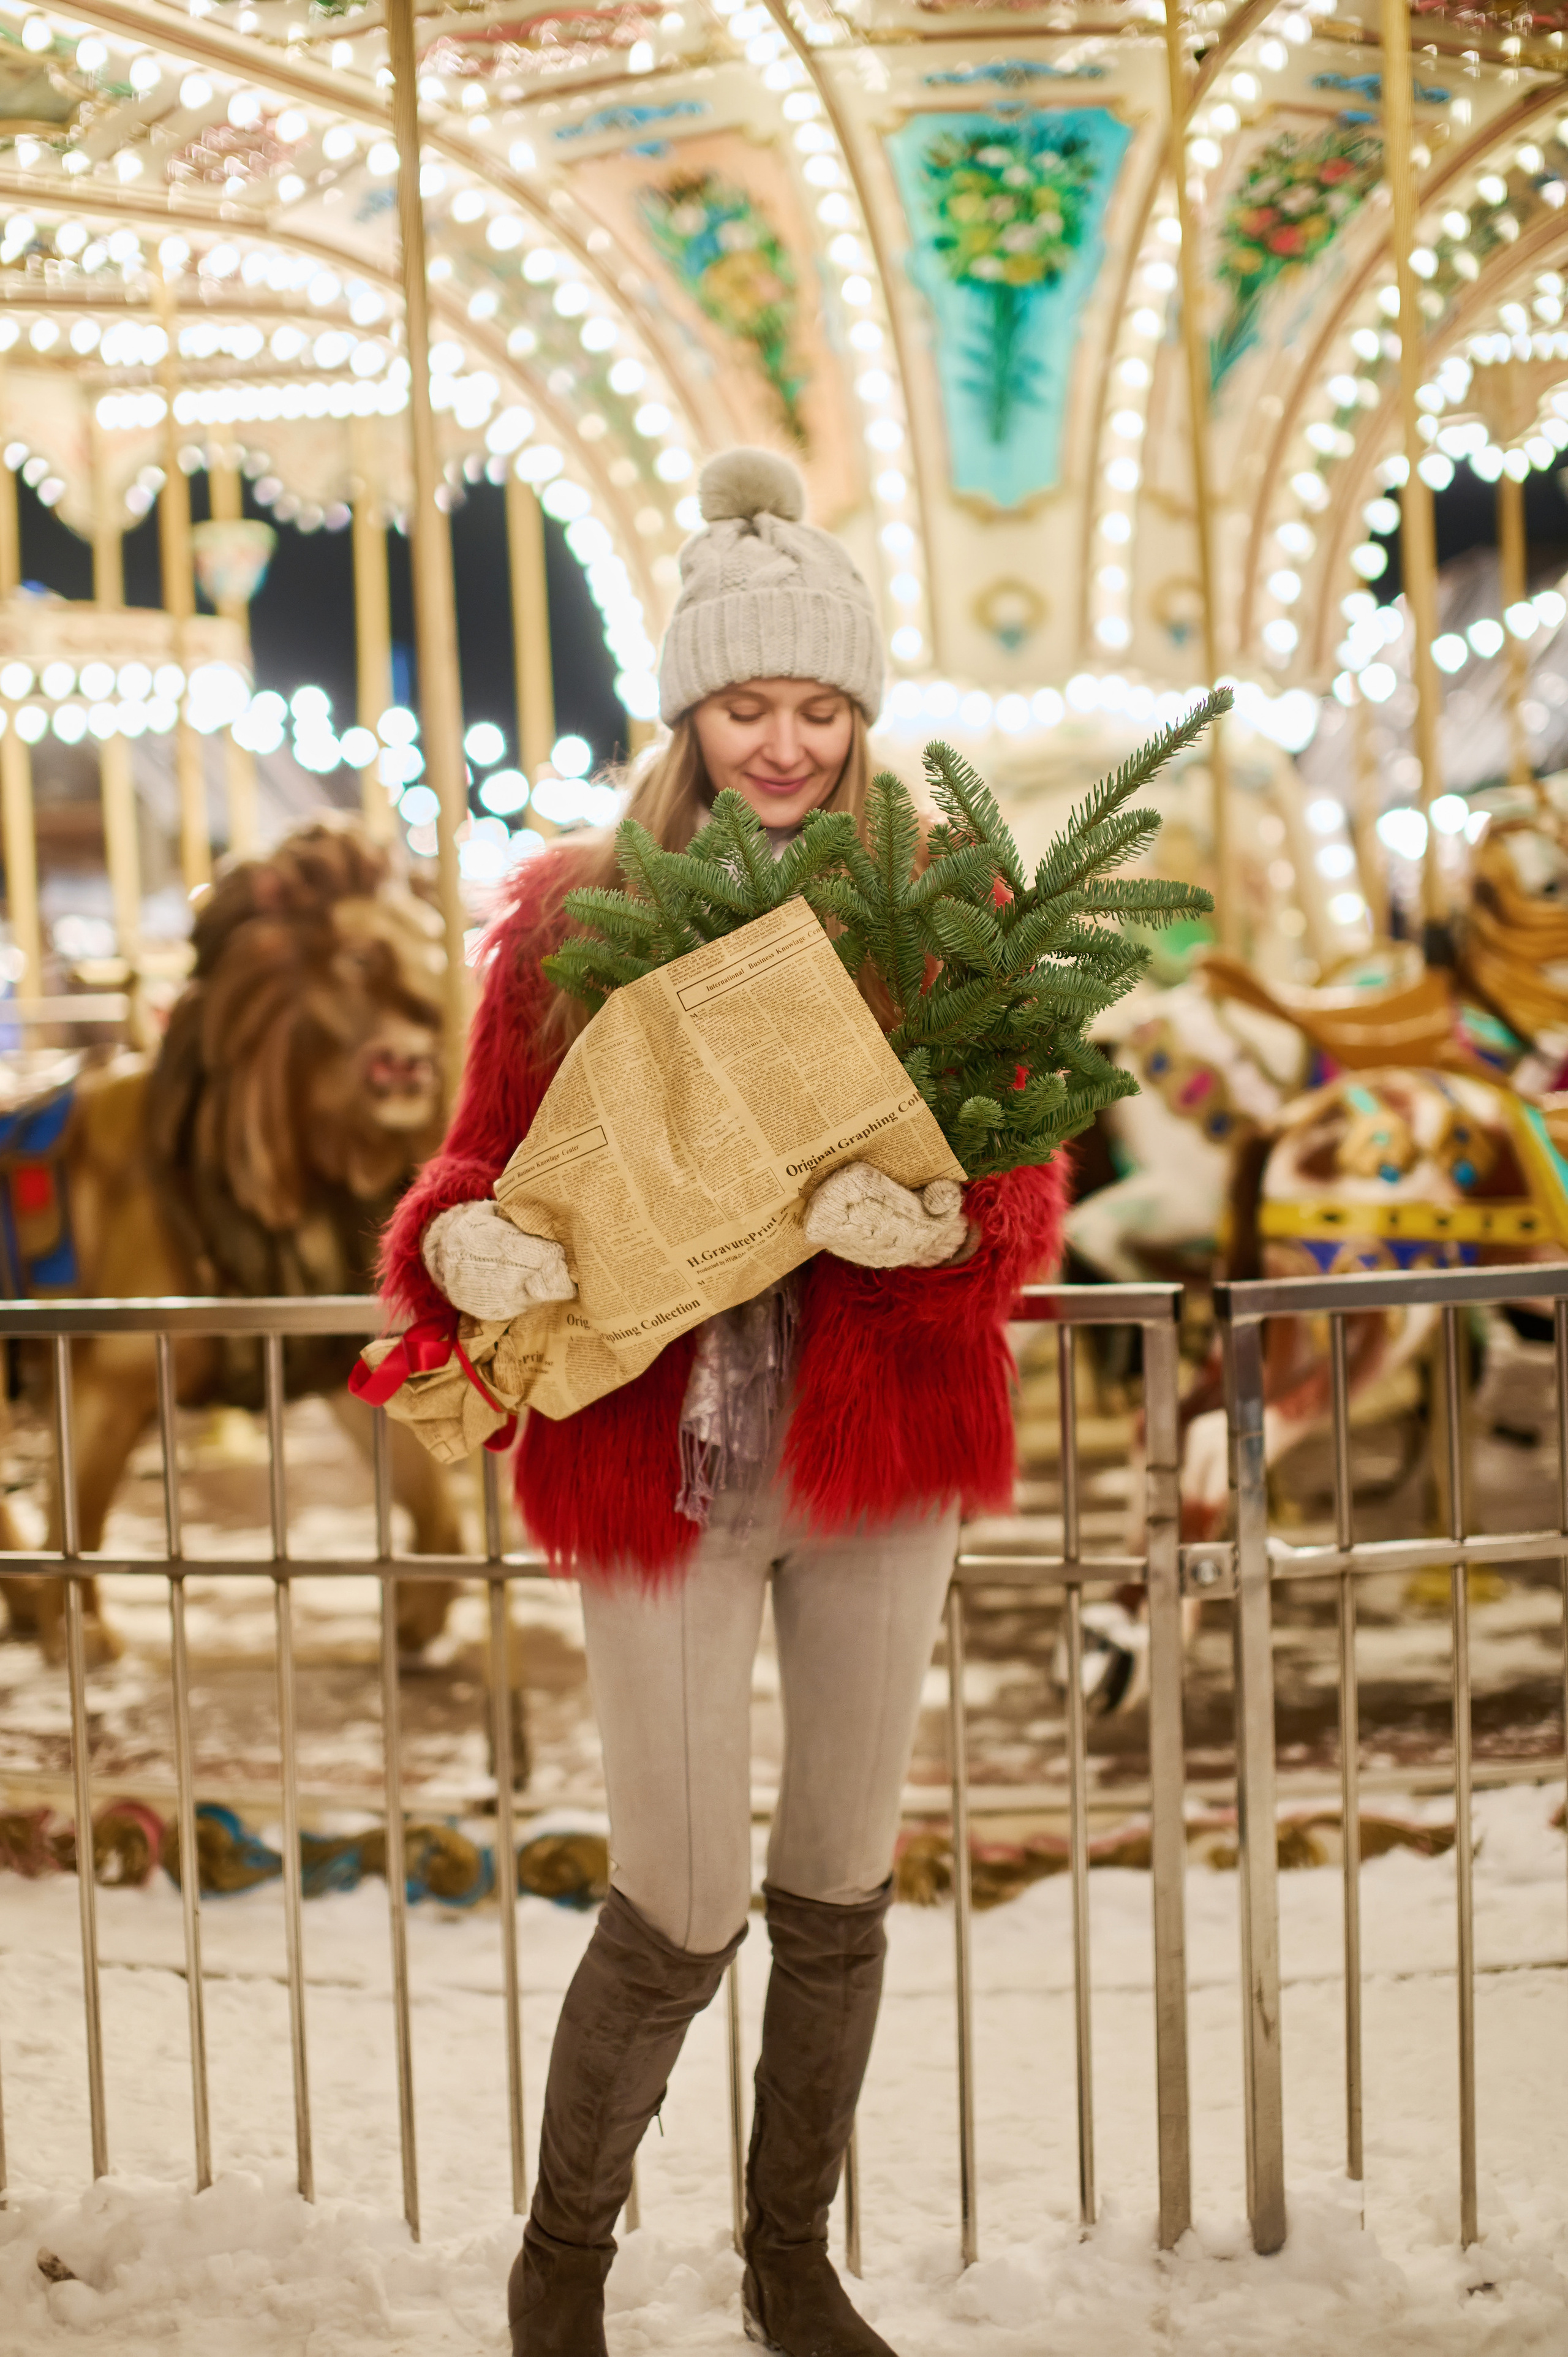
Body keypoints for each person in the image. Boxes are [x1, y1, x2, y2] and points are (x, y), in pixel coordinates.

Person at [381, 448, 1068, 2357]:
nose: (784, 744)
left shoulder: (943, 908)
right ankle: (566, 2259)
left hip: (877, 1454)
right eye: (750, 706)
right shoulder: (576, 919)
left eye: (820, 707)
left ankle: (789, 2260)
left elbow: (1027, 1188)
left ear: (864, 717)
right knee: (678, 1892)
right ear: (692, 712)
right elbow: (474, 1165)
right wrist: (462, 1253)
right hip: (658, 1461)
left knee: (838, 1872)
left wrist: (934, 1217)